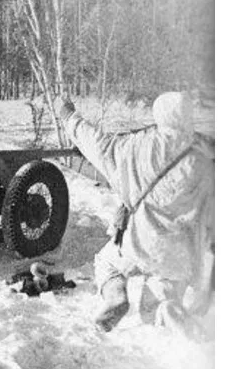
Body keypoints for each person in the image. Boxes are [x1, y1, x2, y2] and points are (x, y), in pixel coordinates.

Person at [56, 92, 215, 334]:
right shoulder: (204, 161)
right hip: (180, 254)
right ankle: (166, 310)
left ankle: (115, 295)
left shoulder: (135, 146)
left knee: (106, 263)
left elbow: (95, 142)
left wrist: (68, 114)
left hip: (138, 243)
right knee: (154, 307)